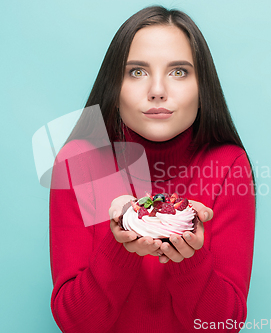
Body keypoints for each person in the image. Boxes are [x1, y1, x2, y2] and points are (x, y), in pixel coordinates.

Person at [49, 5, 256, 332]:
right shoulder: (79, 163)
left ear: (203, 90)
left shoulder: (228, 165)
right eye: (137, 71)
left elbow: (223, 325)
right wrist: (121, 244)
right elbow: (75, 324)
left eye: (178, 72)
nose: (157, 90)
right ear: (113, 90)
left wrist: (189, 259)